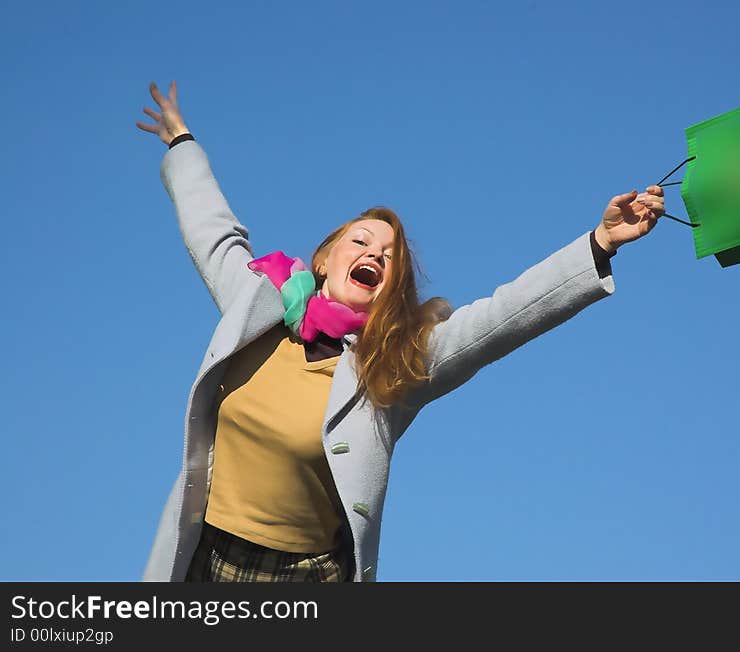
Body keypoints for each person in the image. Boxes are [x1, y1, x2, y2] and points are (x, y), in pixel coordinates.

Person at [135, 80, 665, 582]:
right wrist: (181, 141)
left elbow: (503, 317)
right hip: (206, 559)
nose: (375, 254)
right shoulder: (257, 303)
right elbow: (213, 230)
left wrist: (600, 241)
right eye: (361, 241)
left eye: (390, 256)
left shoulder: (396, 362)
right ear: (324, 259)